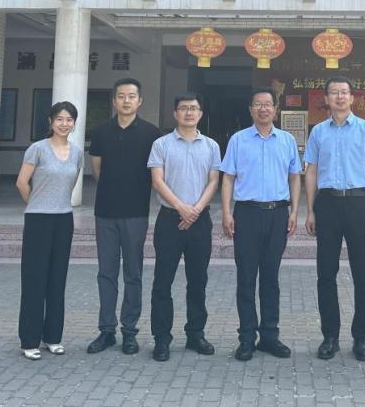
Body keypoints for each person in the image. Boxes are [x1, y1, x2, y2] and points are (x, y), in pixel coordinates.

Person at [303, 76, 365, 361]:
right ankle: (330, 336)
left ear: (352, 98)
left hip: (359, 203)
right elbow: (311, 171)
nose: (339, 97)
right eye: (334, 92)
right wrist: (310, 210)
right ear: (326, 99)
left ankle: (361, 338)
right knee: (326, 273)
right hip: (327, 204)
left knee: (363, 274)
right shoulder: (318, 132)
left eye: (344, 92)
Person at [220, 87, 302, 361]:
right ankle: (246, 338)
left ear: (276, 110)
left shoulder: (287, 140)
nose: (263, 109)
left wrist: (294, 211)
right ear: (251, 110)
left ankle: (270, 336)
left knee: (271, 278)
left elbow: (294, 176)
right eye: (258, 104)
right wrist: (226, 212)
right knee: (246, 278)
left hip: (278, 214)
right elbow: (228, 177)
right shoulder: (238, 140)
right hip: (247, 214)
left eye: (268, 104)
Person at [86, 78, 161, 356]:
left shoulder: (152, 134)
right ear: (114, 100)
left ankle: (129, 331)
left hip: (136, 214)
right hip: (105, 213)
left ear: (140, 101)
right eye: (121, 96)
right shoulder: (101, 132)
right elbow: (97, 169)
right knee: (106, 273)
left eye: (131, 96)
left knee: (133, 273)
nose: (126, 101)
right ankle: (106, 330)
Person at [147, 92, 222, 361]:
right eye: (183, 108)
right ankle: (161, 338)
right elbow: (157, 181)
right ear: (175, 113)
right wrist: (181, 207)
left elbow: (214, 181)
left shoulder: (211, 146)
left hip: (200, 220)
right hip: (170, 219)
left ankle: (195, 334)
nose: (189, 113)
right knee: (162, 281)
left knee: (198, 281)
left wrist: (196, 209)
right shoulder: (161, 144)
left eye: (194, 108)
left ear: (201, 113)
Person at [16, 101, 85, 360]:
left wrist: (56, 204)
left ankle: (53, 337)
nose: (64, 124)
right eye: (59, 119)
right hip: (38, 220)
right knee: (34, 280)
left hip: (64, 219)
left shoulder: (77, 153)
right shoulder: (38, 149)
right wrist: (35, 203)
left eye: (69, 119)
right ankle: (29, 340)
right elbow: (22, 182)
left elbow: (70, 184)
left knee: (57, 280)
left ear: (74, 123)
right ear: (50, 121)